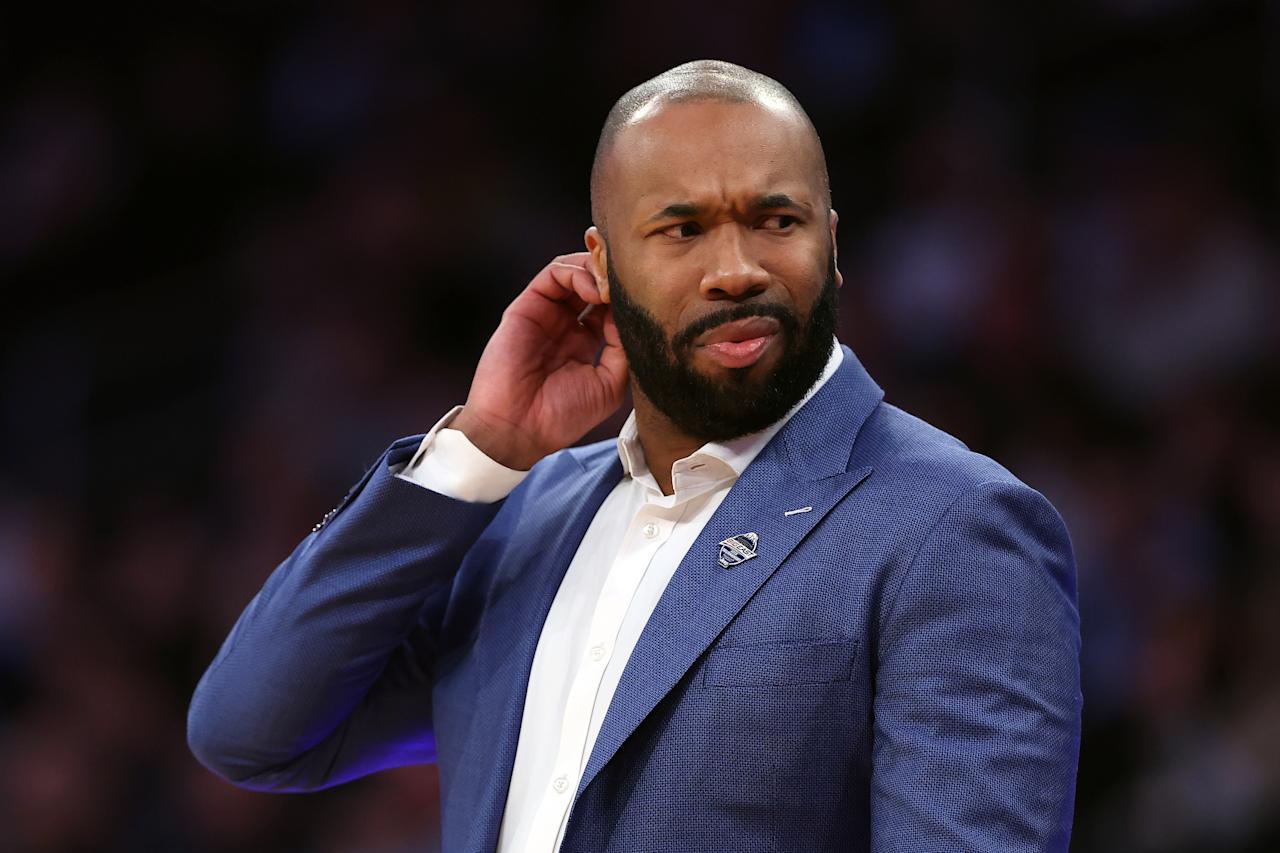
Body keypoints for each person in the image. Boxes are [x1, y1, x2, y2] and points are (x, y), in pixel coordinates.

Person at [188, 59, 1082, 852]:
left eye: (776, 219)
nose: (736, 267)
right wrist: (481, 451)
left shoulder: (951, 525)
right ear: (601, 268)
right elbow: (250, 729)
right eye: (682, 228)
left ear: (833, 246)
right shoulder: (527, 523)